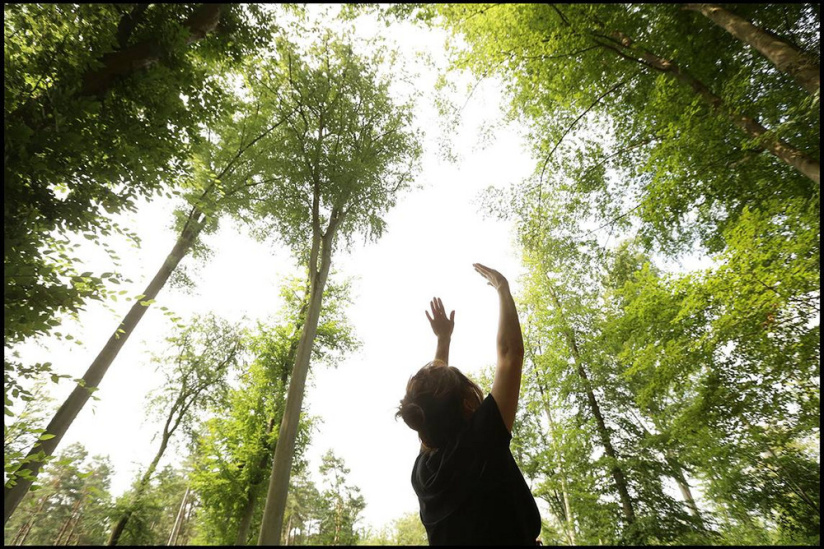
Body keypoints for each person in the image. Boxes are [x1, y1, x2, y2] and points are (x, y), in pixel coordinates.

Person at [397, 263, 542, 545]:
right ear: (466, 403)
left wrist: (443, 340)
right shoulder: (479, 441)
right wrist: (502, 287)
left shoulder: (424, 471)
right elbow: (511, 353)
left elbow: (432, 410)